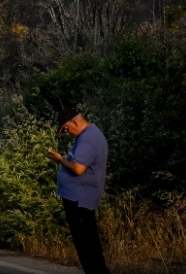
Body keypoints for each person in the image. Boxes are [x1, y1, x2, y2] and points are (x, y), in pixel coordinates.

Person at [47, 108, 110, 274]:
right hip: (80, 198)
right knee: (88, 245)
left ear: (74, 122)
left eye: (66, 129)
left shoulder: (88, 139)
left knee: (87, 246)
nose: (67, 133)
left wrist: (60, 159)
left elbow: (78, 168)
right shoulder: (89, 135)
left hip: (80, 200)